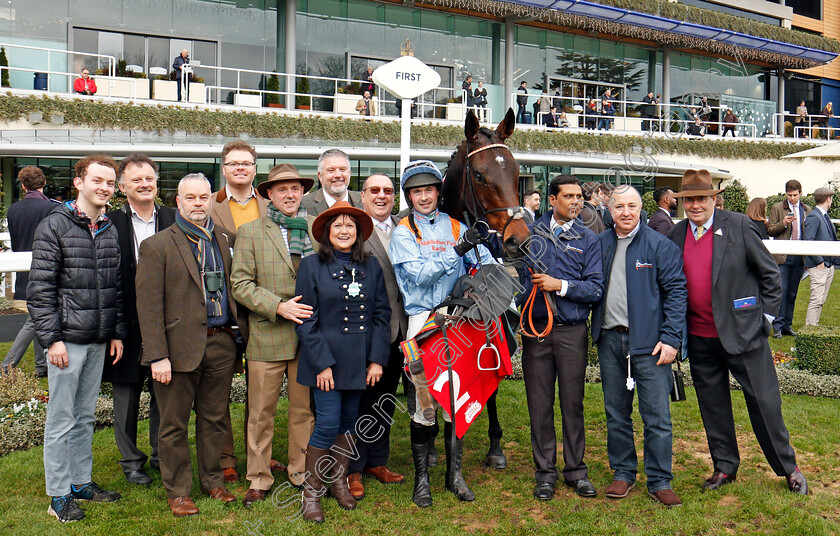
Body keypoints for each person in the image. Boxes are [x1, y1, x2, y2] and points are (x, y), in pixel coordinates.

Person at [668, 169, 808, 496]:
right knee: (713, 406)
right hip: (701, 338)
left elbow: (771, 277)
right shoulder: (676, 235)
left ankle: (789, 468)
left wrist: (768, 319)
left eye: (701, 198)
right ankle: (725, 467)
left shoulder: (739, 225)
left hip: (745, 335)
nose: (695, 205)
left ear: (714, 199)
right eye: (689, 200)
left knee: (765, 404)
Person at [389, 160, 497, 508]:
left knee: (454, 401)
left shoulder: (455, 225)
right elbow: (420, 277)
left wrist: (490, 255)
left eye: (429, 190)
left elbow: (486, 265)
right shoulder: (404, 231)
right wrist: (458, 251)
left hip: (458, 321)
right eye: (416, 192)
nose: (424, 197)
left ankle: (454, 476)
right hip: (422, 323)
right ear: (409, 195)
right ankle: (422, 481)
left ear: (438, 192)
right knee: (425, 404)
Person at [137, 173, 243, 516]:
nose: (198, 203)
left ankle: (213, 482)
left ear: (211, 199)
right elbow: (149, 306)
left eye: (203, 197)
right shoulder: (157, 246)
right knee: (174, 424)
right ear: (177, 201)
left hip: (221, 343)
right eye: (190, 198)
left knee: (215, 419)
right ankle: (178, 491)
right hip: (177, 349)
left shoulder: (224, 239)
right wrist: (157, 356)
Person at [28, 154, 126, 523]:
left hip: (99, 339)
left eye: (110, 182)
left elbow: (115, 287)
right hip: (66, 341)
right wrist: (51, 339)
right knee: (61, 419)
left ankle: (81, 482)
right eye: (97, 180)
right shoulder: (54, 226)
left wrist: (116, 332)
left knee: (85, 416)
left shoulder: (109, 228)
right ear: (79, 182)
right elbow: (39, 291)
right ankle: (58, 494)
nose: (104, 187)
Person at [296, 201, 391, 523]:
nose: (344, 230)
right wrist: (322, 363)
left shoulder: (372, 266)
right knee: (326, 423)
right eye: (337, 225)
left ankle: (339, 481)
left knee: (350, 424)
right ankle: (312, 492)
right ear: (326, 232)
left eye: (350, 225)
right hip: (326, 363)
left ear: (359, 233)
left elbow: (381, 316)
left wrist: (377, 360)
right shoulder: (310, 266)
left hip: (360, 362)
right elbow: (306, 320)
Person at [591, 186, 686, 507]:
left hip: (651, 345)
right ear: (610, 210)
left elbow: (676, 292)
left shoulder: (659, 244)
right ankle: (623, 473)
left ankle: (660, 479)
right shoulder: (599, 245)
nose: (626, 212)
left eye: (632, 206)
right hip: (610, 342)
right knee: (616, 413)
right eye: (619, 207)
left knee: (657, 416)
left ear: (641, 208)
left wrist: (672, 338)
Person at [230, 163, 317, 506]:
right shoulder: (251, 231)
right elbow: (240, 284)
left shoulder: (315, 228)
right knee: (261, 413)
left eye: (295, 188)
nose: (290, 194)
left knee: (303, 411)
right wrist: (279, 307)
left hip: (308, 337)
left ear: (303, 192)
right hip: (268, 333)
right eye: (282, 189)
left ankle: (300, 471)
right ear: (269, 194)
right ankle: (259, 477)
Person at [518, 174, 604, 502]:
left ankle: (576, 471)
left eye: (579, 196)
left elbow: (595, 288)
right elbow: (514, 274)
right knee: (539, 405)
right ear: (552, 200)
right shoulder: (529, 233)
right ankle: (545, 474)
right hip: (536, 333)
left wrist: (561, 285)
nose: (576, 202)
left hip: (571, 332)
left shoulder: (588, 238)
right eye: (568, 196)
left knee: (573, 402)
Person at [104, 154, 175, 486]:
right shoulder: (110, 222)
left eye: (149, 178)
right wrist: (116, 329)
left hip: (167, 322)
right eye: (136, 180)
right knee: (127, 395)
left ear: (156, 182)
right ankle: (131, 460)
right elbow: (107, 280)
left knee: (164, 392)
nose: (144, 184)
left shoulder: (174, 219)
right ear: (122, 187)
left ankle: (162, 454)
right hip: (127, 325)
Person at [210, 139, 270, 483]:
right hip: (223, 307)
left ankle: (257, 456)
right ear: (224, 168)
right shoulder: (211, 205)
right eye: (233, 164)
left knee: (259, 393)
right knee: (219, 391)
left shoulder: (269, 205)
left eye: (246, 163)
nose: (240, 169)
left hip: (261, 305)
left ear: (254, 168)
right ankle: (226, 456)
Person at [346, 173, 408, 499]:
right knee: (361, 402)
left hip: (402, 331)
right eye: (374, 190)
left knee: (385, 400)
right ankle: (353, 468)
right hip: (366, 332)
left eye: (387, 190)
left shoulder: (407, 227)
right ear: (363, 196)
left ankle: (377, 461)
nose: (381, 196)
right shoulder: (354, 230)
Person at [1, 166, 56, 377]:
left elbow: (15, 243)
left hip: (23, 271)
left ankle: (41, 367)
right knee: (36, 318)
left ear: (23, 186)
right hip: (46, 269)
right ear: (43, 184)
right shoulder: (52, 208)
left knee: (36, 315)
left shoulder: (13, 209)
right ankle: (7, 366)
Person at [767, 179, 811, 338]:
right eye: (789, 195)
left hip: (799, 256)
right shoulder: (777, 208)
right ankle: (777, 326)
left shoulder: (807, 209)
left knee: (792, 293)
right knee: (782, 291)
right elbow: (770, 230)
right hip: (782, 256)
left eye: (794, 195)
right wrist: (783, 223)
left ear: (800, 193)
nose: (792, 198)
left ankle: (787, 325)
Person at [803, 187, 838, 326]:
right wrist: (820, 262)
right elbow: (808, 242)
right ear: (828, 199)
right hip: (819, 266)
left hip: (829, 265)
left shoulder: (824, 216)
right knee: (816, 300)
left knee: (821, 300)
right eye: (831, 199)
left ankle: (814, 328)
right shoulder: (813, 216)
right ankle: (810, 329)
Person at [302, 148, 362, 215]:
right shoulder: (304, 205)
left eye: (342, 169)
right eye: (331, 170)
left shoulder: (365, 201)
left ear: (349, 174)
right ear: (320, 176)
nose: (338, 175)